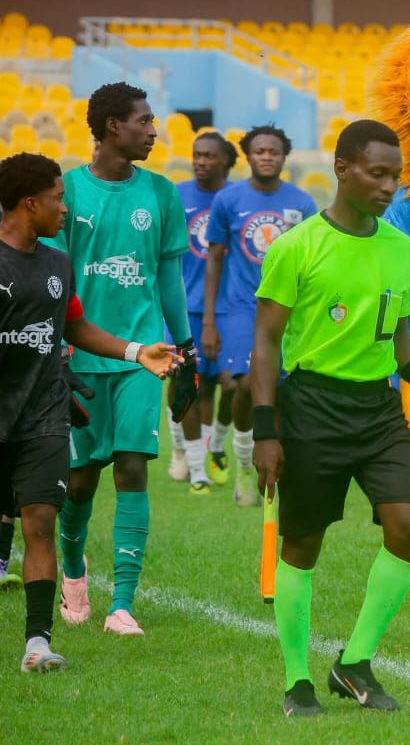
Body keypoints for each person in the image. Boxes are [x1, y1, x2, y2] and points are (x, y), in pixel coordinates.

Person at [250, 119, 410, 717]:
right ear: (343, 170)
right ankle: (296, 681)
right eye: (378, 172)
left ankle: (354, 661)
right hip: (311, 405)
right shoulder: (296, 247)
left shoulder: (402, 247)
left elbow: (400, 330)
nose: (390, 185)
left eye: (396, 175)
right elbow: (265, 342)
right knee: (303, 544)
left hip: (379, 407)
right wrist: (266, 430)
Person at [0, 153, 180, 672]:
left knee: (39, 519)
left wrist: (133, 351)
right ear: (29, 203)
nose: (64, 206)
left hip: (42, 413)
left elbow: (74, 326)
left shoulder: (58, 266)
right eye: (56, 198)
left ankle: (38, 642)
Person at [49, 81, 200, 637]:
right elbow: (57, 284)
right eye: (144, 121)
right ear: (113, 126)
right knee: (82, 479)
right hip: (81, 356)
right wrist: (59, 354)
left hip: (145, 356)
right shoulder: (66, 193)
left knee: (133, 467)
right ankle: (72, 573)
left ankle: (123, 604)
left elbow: (168, 278)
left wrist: (186, 351)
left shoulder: (160, 193)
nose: (153, 131)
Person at [202, 124, 316, 506]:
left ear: (284, 157)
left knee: (280, 391)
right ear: (248, 156)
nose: (267, 157)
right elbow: (214, 260)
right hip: (239, 307)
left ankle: (276, 470)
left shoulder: (302, 203)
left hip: (286, 308)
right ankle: (245, 464)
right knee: (245, 383)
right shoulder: (227, 200)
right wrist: (209, 320)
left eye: (274, 151)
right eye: (259, 151)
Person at [166, 130, 237, 493]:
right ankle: (186, 455)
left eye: (209, 156)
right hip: (183, 306)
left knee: (221, 385)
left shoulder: (235, 197)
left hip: (228, 309)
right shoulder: (177, 195)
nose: (201, 162)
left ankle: (211, 448)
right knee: (182, 380)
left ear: (225, 159)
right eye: (196, 155)